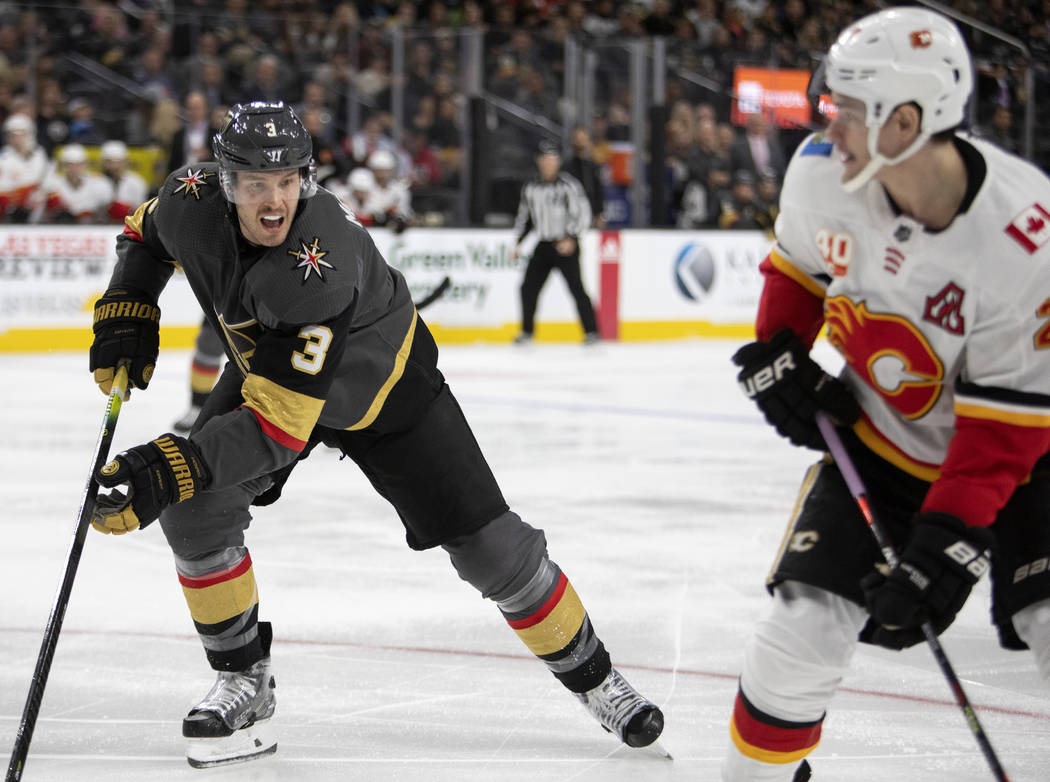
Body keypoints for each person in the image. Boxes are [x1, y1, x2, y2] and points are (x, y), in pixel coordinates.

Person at [87, 101, 663, 768]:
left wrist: (162, 469)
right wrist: (128, 305)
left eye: (289, 181)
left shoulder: (317, 263)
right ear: (223, 181)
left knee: (491, 552)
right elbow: (144, 235)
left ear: (307, 176)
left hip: (384, 393)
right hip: (273, 376)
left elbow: (278, 429)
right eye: (255, 184)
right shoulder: (188, 199)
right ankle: (244, 681)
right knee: (196, 510)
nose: (274, 202)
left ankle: (596, 678)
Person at [723, 8, 1050, 781]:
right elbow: (796, 272)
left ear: (906, 122)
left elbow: (1004, 431)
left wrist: (947, 544)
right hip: (885, 441)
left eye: (851, 112)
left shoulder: (1026, 238)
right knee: (797, 634)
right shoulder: (820, 173)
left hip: (1030, 459)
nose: (829, 127)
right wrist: (780, 357)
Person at [512, 139, 598, 345]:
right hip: (543, 244)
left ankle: (592, 331)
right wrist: (517, 242)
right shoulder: (531, 188)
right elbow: (526, 218)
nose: (548, 164)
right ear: (539, 162)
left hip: (565, 245)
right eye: (544, 159)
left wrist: (572, 238)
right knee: (527, 288)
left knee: (577, 288)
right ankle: (527, 331)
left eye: (552, 159)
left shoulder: (569, 186)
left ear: (558, 162)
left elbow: (583, 214)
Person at [35, 143, 114, 224]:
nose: (74, 169)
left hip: (92, 229)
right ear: (63, 165)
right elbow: (39, 214)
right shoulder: (51, 184)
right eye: (70, 165)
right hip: (58, 228)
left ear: (85, 164)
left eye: (78, 164)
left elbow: (108, 212)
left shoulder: (100, 184)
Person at [100, 140, 150, 222]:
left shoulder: (137, 182)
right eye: (110, 162)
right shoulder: (95, 181)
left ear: (125, 162)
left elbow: (140, 211)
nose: (115, 166)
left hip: (129, 225)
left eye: (118, 162)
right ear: (104, 163)